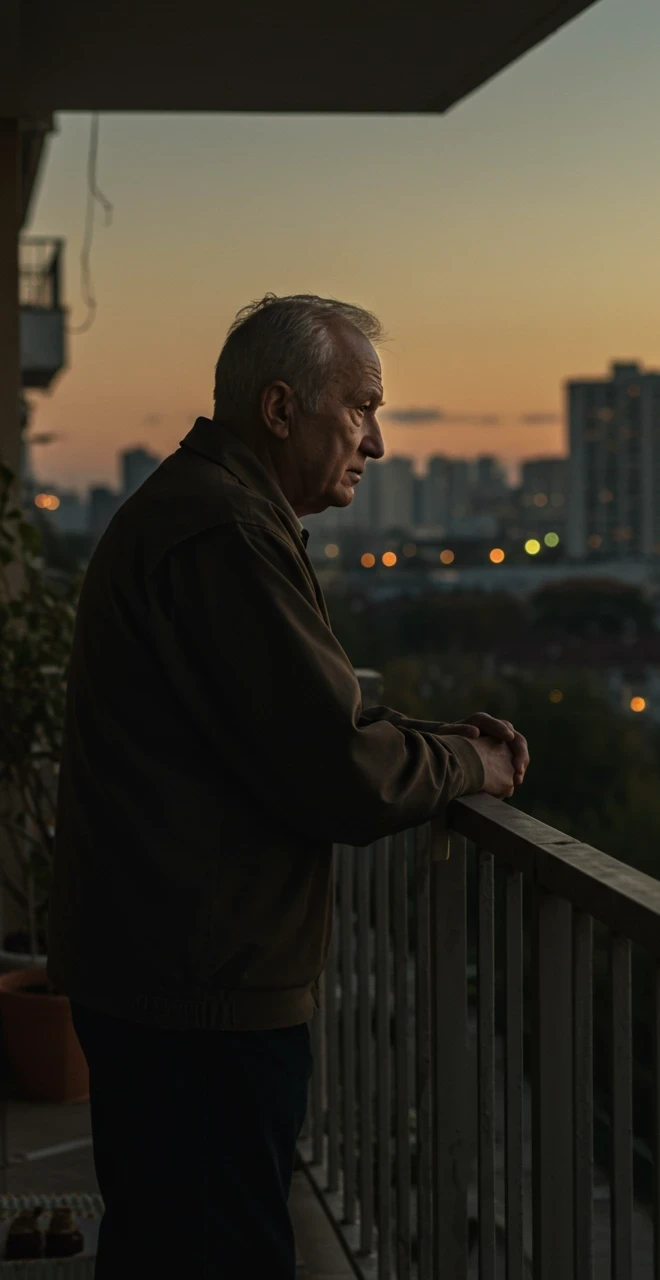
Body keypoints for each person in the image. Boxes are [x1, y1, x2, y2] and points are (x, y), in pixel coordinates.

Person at [47, 294, 529, 1279]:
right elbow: (335, 771)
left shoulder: (211, 510)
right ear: (279, 409)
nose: (379, 442)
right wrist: (466, 765)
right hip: (197, 995)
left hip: (168, 974)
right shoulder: (221, 529)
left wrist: (430, 740)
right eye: (359, 408)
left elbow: (289, 723)